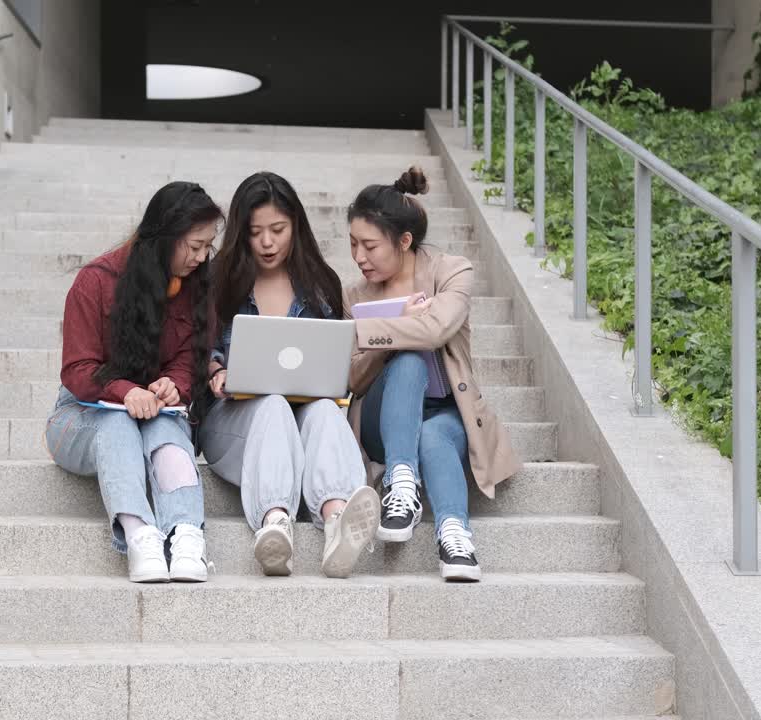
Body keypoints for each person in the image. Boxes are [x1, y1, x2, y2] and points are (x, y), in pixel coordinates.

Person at [199, 172, 379, 578]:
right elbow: (194, 349)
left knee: (325, 411)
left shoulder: (319, 285)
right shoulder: (217, 281)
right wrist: (216, 369)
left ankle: (337, 521)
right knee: (273, 404)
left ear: (295, 227)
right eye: (256, 232)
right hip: (234, 421)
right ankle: (275, 524)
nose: (267, 242)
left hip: (304, 419)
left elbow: (335, 366)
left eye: (277, 230)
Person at [345, 167, 521, 582]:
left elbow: (435, 329)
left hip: (447, 413)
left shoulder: (451, 271)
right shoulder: (353, 294)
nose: (358, 257)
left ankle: (454, 536)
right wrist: (396, 328)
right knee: (405, 362)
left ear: (404, 241)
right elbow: (352, 378)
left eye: (369, 246)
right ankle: (400, 484)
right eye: (353, 244)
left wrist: (368, 330)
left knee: (433, 435)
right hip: (380, 418)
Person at [45, 181, 221, 583]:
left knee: (168, 429)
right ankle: (140, 533)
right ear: (162, 237)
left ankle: (185, 533)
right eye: (192, 246)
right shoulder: (96, 281)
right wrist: (127, 392)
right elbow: (77, 369)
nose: (200, 257)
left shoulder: (197, 286)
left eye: (207, 246)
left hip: (159, 411)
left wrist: (173, 384)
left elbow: (188, 356)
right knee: (119, 422)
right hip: (81, 414)